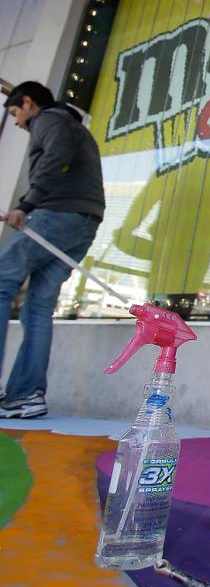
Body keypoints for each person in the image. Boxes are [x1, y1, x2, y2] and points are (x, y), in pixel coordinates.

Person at [0, 82, 104, 418]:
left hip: (56, 215)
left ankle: (25, 392)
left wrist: (27, 204)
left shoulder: (49, 119)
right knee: (37, 308)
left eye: (16, 113)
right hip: (84, 223)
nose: (17, 123)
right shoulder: (74, 126)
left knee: (1, 282)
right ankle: (26, 397)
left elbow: (56, 156)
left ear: (28, 103)